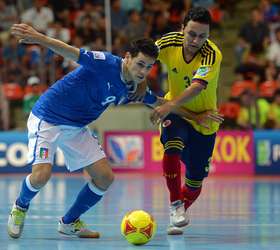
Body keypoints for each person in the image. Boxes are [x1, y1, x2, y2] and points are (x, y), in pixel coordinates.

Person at [7, 23, 222, 239]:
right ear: (127, 57)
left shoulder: (134, 89)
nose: (143, 72)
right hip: (48, 117)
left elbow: (161, 102)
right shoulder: (105, 63)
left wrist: (195, 117)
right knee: (41, 175)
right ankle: (20, 206)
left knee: (104, 178)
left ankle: (69, 222)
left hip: (76, 127)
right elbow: (69, 51)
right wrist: (38, 37)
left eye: (148, 68)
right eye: (139, 64)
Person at [150, 7, 223, 235]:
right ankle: (175, 203)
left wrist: (168, 104)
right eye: (191, 33)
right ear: (182, 29)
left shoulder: (212, 54)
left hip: (204, 121)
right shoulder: (169, 42)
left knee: (194, 182)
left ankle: (179, 211)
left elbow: (197, 87)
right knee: (172, 147)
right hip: (177, 113)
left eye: (203, 36)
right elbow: (145, 54)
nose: (196, 40)